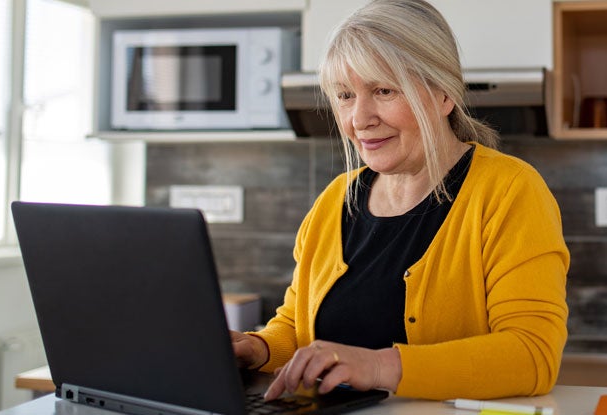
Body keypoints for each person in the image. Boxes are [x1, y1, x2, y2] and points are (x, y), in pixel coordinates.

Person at [229, 0, 569, 401]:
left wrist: (377, 366)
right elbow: (297, 324)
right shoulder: (334, 200)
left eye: (383, 90)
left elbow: (532, 355)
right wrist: (260, 348)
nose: (359, 118)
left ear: (443, 94)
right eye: (344, 96)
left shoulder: (509, 191)